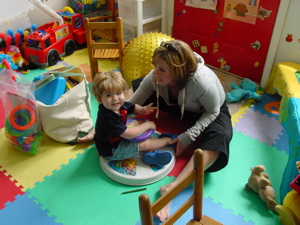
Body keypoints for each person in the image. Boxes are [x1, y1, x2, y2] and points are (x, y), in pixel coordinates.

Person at [129, 40, 233, 221]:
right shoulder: (156, 77)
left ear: (177, 71)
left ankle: (173, 187)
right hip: (177, 104)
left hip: (206, 110)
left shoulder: (202, 82)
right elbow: (131, 104)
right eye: (155, 66)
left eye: (162, 69)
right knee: (140, 84)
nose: (155, 72)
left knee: (221, 137)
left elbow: (213, 111)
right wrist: (109, 125)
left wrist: (188, 136)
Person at [78, 71, 177, 166]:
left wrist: (142, 109)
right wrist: (147, 125)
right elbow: (129, 134)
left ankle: (150, 156)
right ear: (99, 99)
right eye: (109, 95)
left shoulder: (119, 104)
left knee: (144, 138)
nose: (115, 98)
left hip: (118, 140)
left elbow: (133, 107)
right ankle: (170, 140)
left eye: (118, 93)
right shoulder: (108, 117)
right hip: (112, 150)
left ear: (124, 93)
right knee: (145, 144)